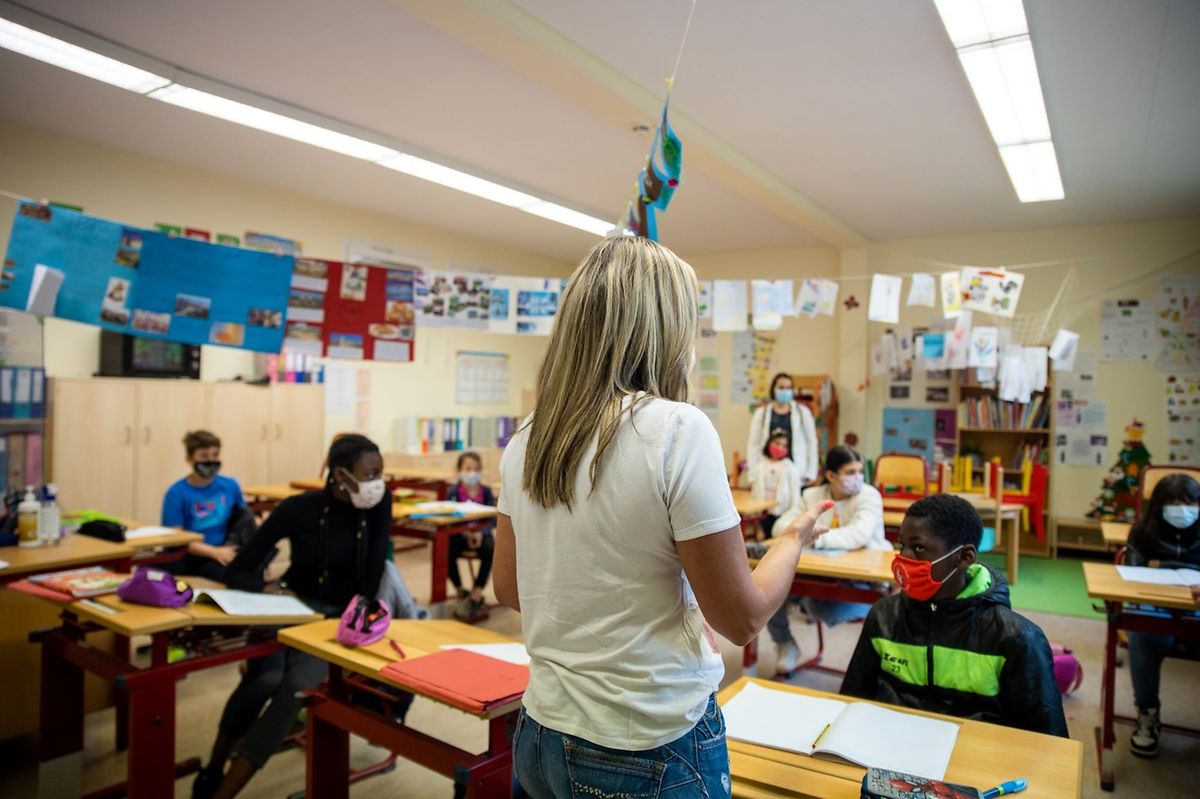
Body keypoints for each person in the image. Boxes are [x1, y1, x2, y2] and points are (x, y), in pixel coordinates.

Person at [493, 235, 832, 798]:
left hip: (541, 732)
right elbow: (742, 619)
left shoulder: (528, 435)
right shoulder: (677, 428)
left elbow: (510, 586)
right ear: (665, 330)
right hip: (645, 744)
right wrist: (793, 538)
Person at [192, 434, 392, 799]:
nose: (378, 481)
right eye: (370, 473)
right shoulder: (300, 508)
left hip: (337, 622)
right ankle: (213, 768)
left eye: (381, 472)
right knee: (262, 681)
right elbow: (241, 567)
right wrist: (264, 594)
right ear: (340, 475)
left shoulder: (379, 504)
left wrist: (358, 615)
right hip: (293, 606)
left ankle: (222, 794)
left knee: (295, 691)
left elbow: (374, 572)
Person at [841, 493, 1068, 737]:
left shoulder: (1016, 638)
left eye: (918, 547)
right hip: (891, 749)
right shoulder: (884, 616)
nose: (903, 558)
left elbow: (1048, 739)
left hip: (973, 760)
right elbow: (851, 701)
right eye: (901, 545)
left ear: (964, 557)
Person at [766, 446, 888, 674]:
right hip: (819, 573)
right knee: (769, 591)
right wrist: (805, 534)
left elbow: (858, 534)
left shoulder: (869, 495)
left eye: (859, 471)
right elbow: (780, 526)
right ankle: (785, 644)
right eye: (850, 472)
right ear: (831, 476)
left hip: (861, 579)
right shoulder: (812, 496)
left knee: (820, 607)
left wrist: (809, 537)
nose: (858, 477)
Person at [1122, 473, 1200, 758]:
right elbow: (1132, 573)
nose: (1183, 509)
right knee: (1143, 634)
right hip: (1154, 607)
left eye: (1190, 502)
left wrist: (1160, 564)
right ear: (1159, 505)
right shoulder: (1142, 531)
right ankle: (1147, 714)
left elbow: (1149, 567)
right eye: (1174, 502)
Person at [161, 430, 246, 582]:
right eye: (204, 456)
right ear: (189, 459)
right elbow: (176, 539)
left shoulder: (230, 485)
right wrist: (213, 552)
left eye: (215, 455)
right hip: (190, 554)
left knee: (242, 576)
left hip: (224, 548)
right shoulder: (176, 493)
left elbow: (244, 518)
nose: (211, 460)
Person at [446, 450, 496, 620]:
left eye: (476, 468)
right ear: (459, 470)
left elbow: (492, 518)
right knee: (446, 548)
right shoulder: (453, 492)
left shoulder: (486, 492)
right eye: (468, 468)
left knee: (491, 548)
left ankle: (476, 592)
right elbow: (450, 516)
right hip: (460, 535)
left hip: (481, 535)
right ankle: (460, 590)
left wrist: (482, 532)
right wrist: (465, 532)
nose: (472, 472)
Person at [746, 372, 818, 485]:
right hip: (767, 471)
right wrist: (752, 473)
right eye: (781, 387)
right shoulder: (762, 413)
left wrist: (811, 472)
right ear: (773, 389)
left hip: (796, 471)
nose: (785, 391)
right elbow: (753, 444)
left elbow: (811, 442)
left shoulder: (802, 412)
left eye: (788, 388)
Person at [748, 430, 801, 539]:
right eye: (777, 443)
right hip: (763, 511)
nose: (780, 448)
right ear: (769, 443)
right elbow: (755, 489)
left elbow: (795, 494)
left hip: (782, 512)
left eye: (784, 446)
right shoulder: (760, 466)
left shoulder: (791, 468)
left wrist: (793, 514)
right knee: (765, 537)